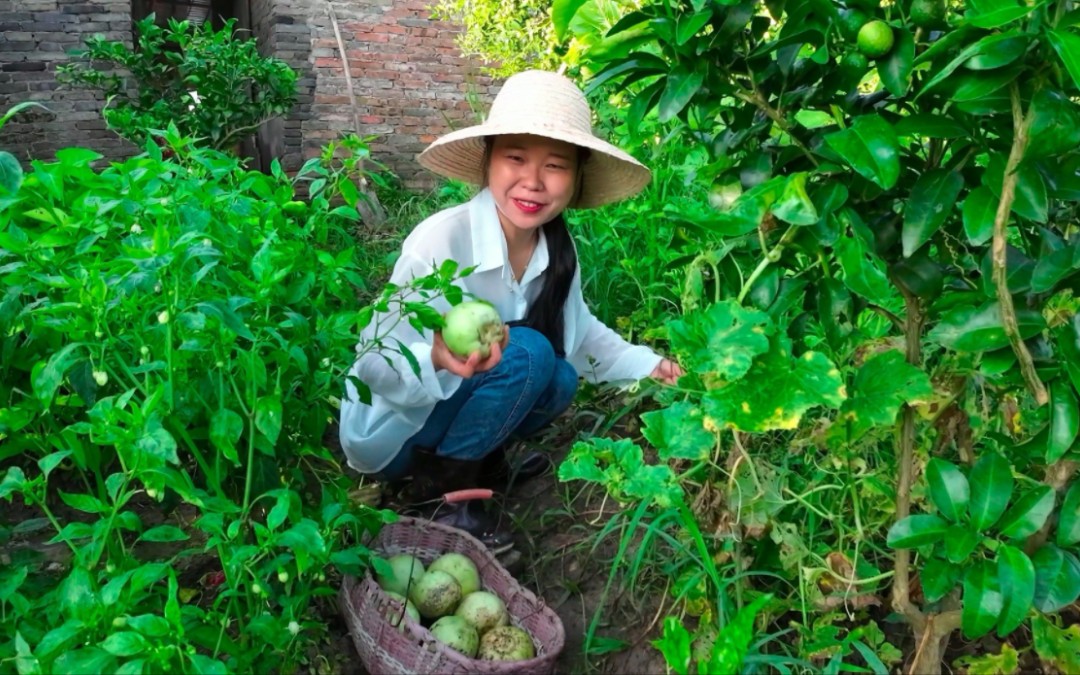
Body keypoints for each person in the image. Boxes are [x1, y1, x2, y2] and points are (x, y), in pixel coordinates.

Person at [338, 70, 683, 550]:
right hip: (396, 435)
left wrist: (652, 365)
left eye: (556, 166)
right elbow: (371, 363)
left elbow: (581, 334)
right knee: (530, 354)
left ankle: (479, 461)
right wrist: (435, 356)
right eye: (516, 158)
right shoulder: (443, 240)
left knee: (558, 377)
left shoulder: (556, 251)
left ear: (578, 178)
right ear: (488, 162)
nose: (533, 182)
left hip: (445, 413)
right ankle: (438, 499)